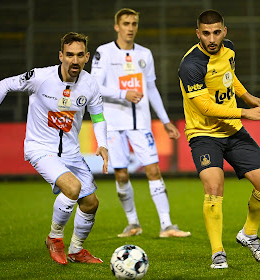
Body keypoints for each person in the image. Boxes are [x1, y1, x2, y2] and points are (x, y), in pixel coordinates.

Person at [0, 32, 108, 265]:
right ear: (60, 56)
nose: (74, 61)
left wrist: (103, 144)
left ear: (87, 57)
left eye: (79, 55)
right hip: (40, 148)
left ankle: (76, 250)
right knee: (72, 187)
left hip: (71, 152)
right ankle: (54, 238)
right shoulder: (40, 77)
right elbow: (5, 84)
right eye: (69, 55)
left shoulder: (90, 84)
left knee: (91, 203)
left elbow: (98, 117)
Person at [178, 10, 260, 269]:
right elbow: (206, 108)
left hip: (232, 130)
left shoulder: (228, 50)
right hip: (204, 134)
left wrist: (246, 96)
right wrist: (246, 112)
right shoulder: (191, 65)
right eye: (206, 33)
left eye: (217, 32)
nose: (212, 38)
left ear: (225, 31)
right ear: (198, 33)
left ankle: (249, 234)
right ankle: (217, 252)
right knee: (214, 186)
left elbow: (229, 78)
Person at [91, 8, 190, 238]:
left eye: (134, 23)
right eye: (126, 23)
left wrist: (165, 120)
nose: (130, 28)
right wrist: (122, 94)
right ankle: (133, 223)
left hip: (141, 123)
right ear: (117, 26)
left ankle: (167, 225)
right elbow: (95, 86)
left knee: (153, 170)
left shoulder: (145, 54)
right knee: (122, 175)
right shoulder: (103, 53)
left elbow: (151, 88)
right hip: (114, 124)